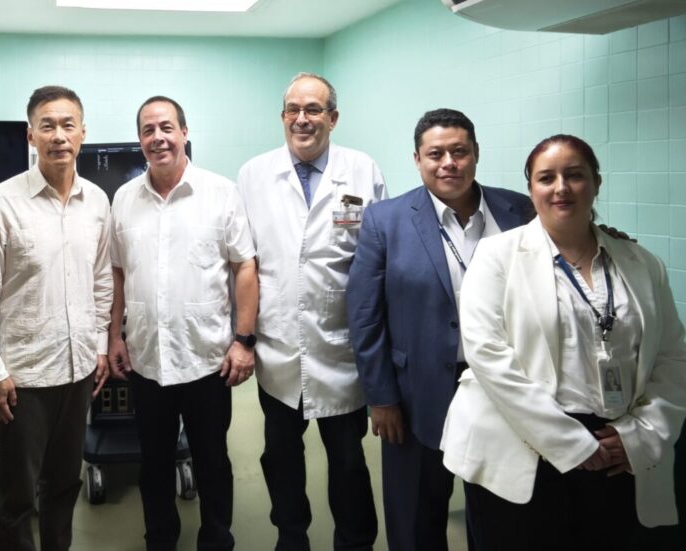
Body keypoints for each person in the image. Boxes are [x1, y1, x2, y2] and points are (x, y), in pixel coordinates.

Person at [440, 134, 686, 550]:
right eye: (546, 178)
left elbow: (672, 357)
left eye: (574, 175)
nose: (561, 188)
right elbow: (488, 357)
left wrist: (641, 434)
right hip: (522, 446)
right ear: (531, 189)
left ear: (596, 182)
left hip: (616, 446)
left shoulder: (642, 264)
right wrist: (570, 443)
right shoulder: (496, 255)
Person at [346, 108, 532, 551]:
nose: (448, 162)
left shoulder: (519, 210)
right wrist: (381, 399)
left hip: (504, 389)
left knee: (500, 517)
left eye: (459, 151)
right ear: (417, 159)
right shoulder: (385, 220)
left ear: (476, 153)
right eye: (435, 154)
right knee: (416, 521)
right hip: (417, 396)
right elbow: (365, 316)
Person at [236, 72, 385, 551]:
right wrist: (243, 337)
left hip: (341, 349)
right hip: (278, 347)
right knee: (280, 456)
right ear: (282, 117)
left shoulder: (362, 170)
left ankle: (355, 541)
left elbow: (378, 259)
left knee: (349, 460)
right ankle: (291, 536)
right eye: (293, 110)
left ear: (332, 118)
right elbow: (244, 262)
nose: (302, 119)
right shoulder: (253, 174)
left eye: (314, 109)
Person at [108, 96, 258, 551]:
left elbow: (245, 267)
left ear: (185, 133)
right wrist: (114, 335)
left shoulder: (220, 192)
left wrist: (244, 340)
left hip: (207, 360)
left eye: (167, 127)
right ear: (140, 140)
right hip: (147, 360)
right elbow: (117, 272)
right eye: (148, 130)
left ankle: (217, 539)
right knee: (153, 463)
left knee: (213, 461)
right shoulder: (124, 199)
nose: (158, 138)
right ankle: (160, 540)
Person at [0, 85, 112, 551]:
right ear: (31, 135)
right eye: (47, 126)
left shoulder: (97, 202)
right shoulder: (2, 202)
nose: (58, 136)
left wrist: (100, 347)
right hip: (23, 377)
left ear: (83, 133)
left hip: (78, 368)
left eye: (68, 125)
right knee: (17, 495)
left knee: (64, 485)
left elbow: (102, 281)